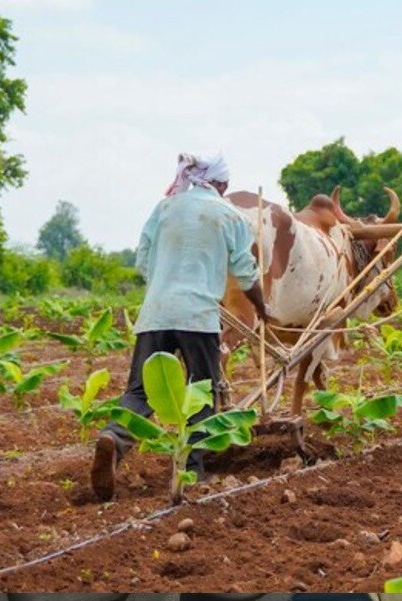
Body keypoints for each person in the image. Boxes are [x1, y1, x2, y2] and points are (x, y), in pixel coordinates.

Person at [91, 153, 268, 502]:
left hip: (155, 313)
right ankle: (194, 471)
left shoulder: (165, 208)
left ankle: (114, 437)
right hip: (198, 318)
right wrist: (264, 310)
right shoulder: (229, 215)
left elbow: (143, 257)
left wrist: (165, 283)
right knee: (201, 392)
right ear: (220, 185)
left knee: (140, 391)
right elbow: (245, 272)